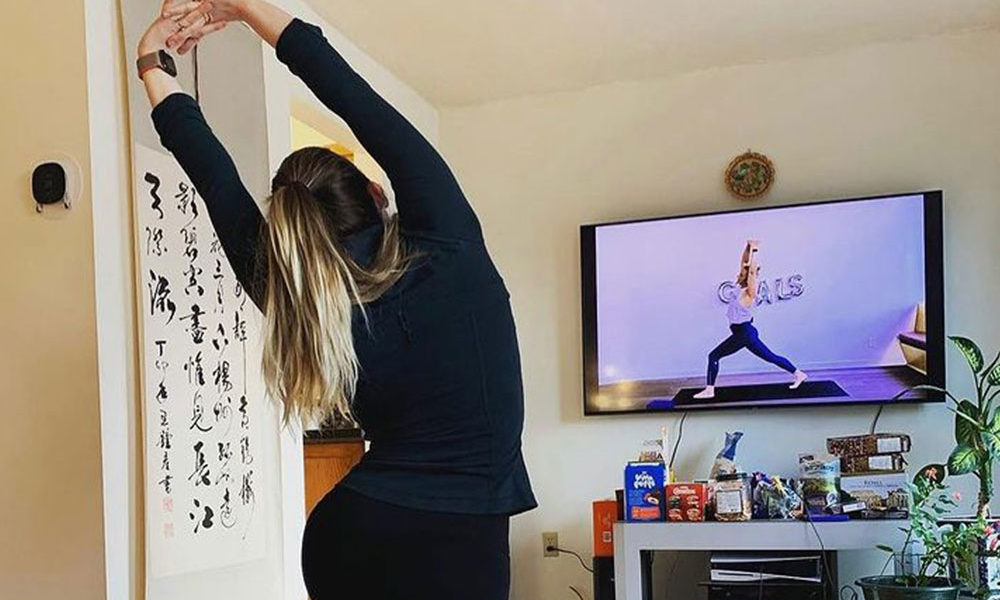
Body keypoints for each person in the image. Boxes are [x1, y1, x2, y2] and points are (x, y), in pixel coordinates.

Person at [136, 2, 536, 598]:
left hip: (350, 534)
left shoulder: (301, 299)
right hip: (455, 544)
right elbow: (353, 98)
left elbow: (213, 178)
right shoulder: (447, 237)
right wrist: (244, 8)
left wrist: (152, 61)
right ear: (377, 193)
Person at [693, 240, 807, 400]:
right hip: (743, 333)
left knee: (714, 356)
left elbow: (752, 271)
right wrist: (747, 247)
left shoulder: (749, 293)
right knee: (771, 357)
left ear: (748, 277)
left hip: (744, 333)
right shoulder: (738, 288)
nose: (738, 274)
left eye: (742, 273)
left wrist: (754, 250)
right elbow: (744, 263)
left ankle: (709, 390)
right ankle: (799, 374)